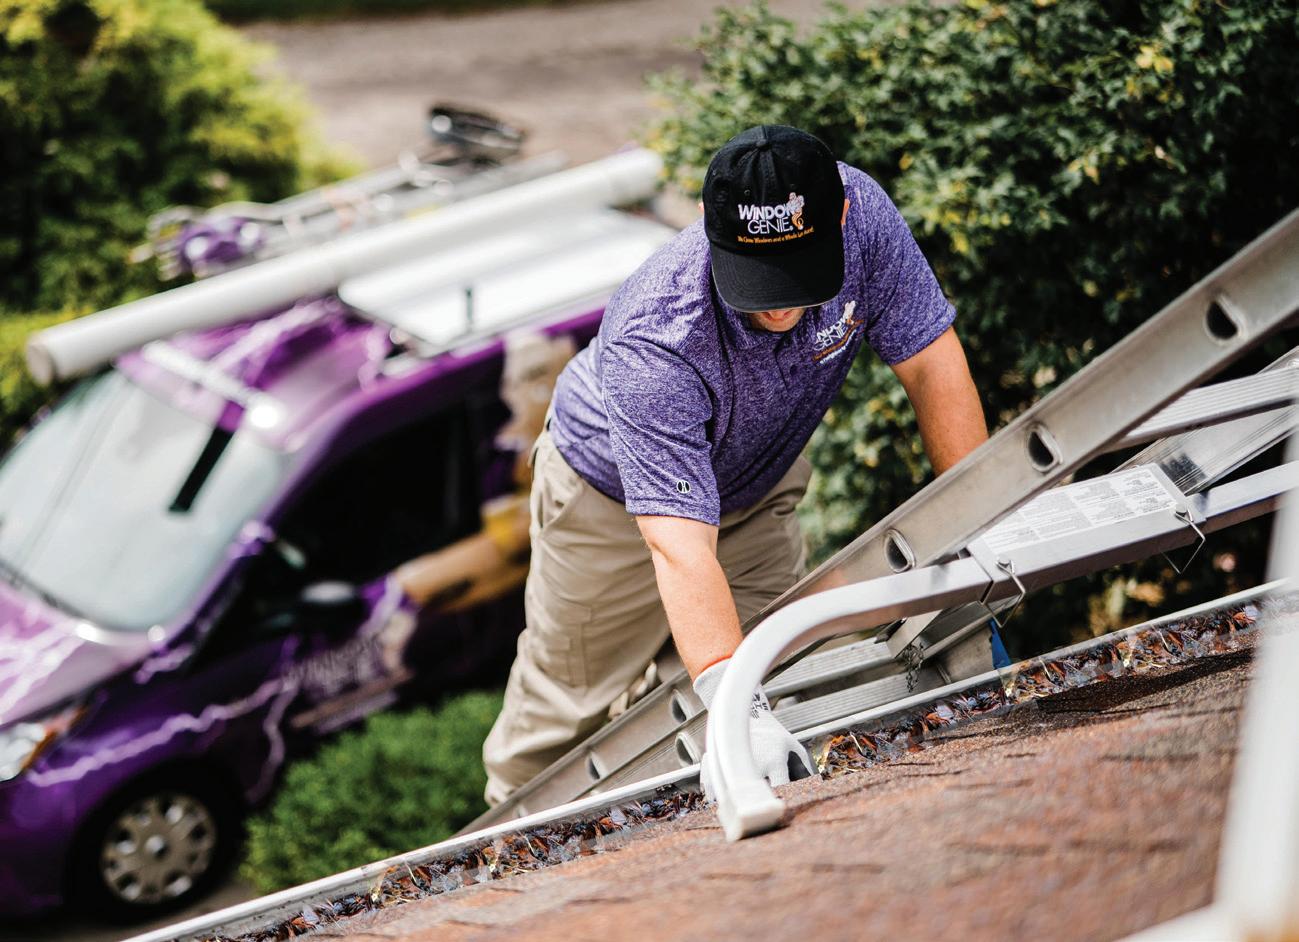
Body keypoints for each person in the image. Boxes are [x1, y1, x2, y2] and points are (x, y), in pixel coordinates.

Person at [482, 125, 988, 804]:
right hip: (605, 500)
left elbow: (930, 365)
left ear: (840, 215)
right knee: (568, 702)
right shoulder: (655, 332)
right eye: (758, 281)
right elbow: (679, 545)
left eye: (796, 275)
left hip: (753, 485)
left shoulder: (863, 215)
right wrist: (733, 708)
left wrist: (979, 518)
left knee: (771, 664)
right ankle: (502, 837)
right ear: (706, 225)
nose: (779, 305)